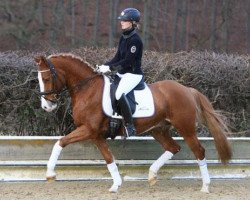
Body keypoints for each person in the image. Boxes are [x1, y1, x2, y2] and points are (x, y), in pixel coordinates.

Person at [97, 8, 144, 137]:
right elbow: (117, 58)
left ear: (132, 22)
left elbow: (128, 61)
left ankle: (130, 126)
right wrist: (104, 66)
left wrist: (111, 69)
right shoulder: (124, 37)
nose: (121, 22)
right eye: (121, 20)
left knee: (119, 94)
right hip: (122, 74)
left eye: (125, 20)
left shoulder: (136, 40)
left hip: (133, 75)